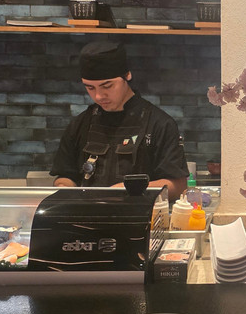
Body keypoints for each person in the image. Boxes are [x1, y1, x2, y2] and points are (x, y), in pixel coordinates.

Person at [51, 41, 188, 198]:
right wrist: (64, 188)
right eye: (90, 88)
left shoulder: (159, 124)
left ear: (127, 75)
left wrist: (128, 189)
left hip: (140, 212)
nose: (98, 96)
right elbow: (65, 176)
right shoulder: (80, 124)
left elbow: (177, 186)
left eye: (107, 86)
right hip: (88, 211)